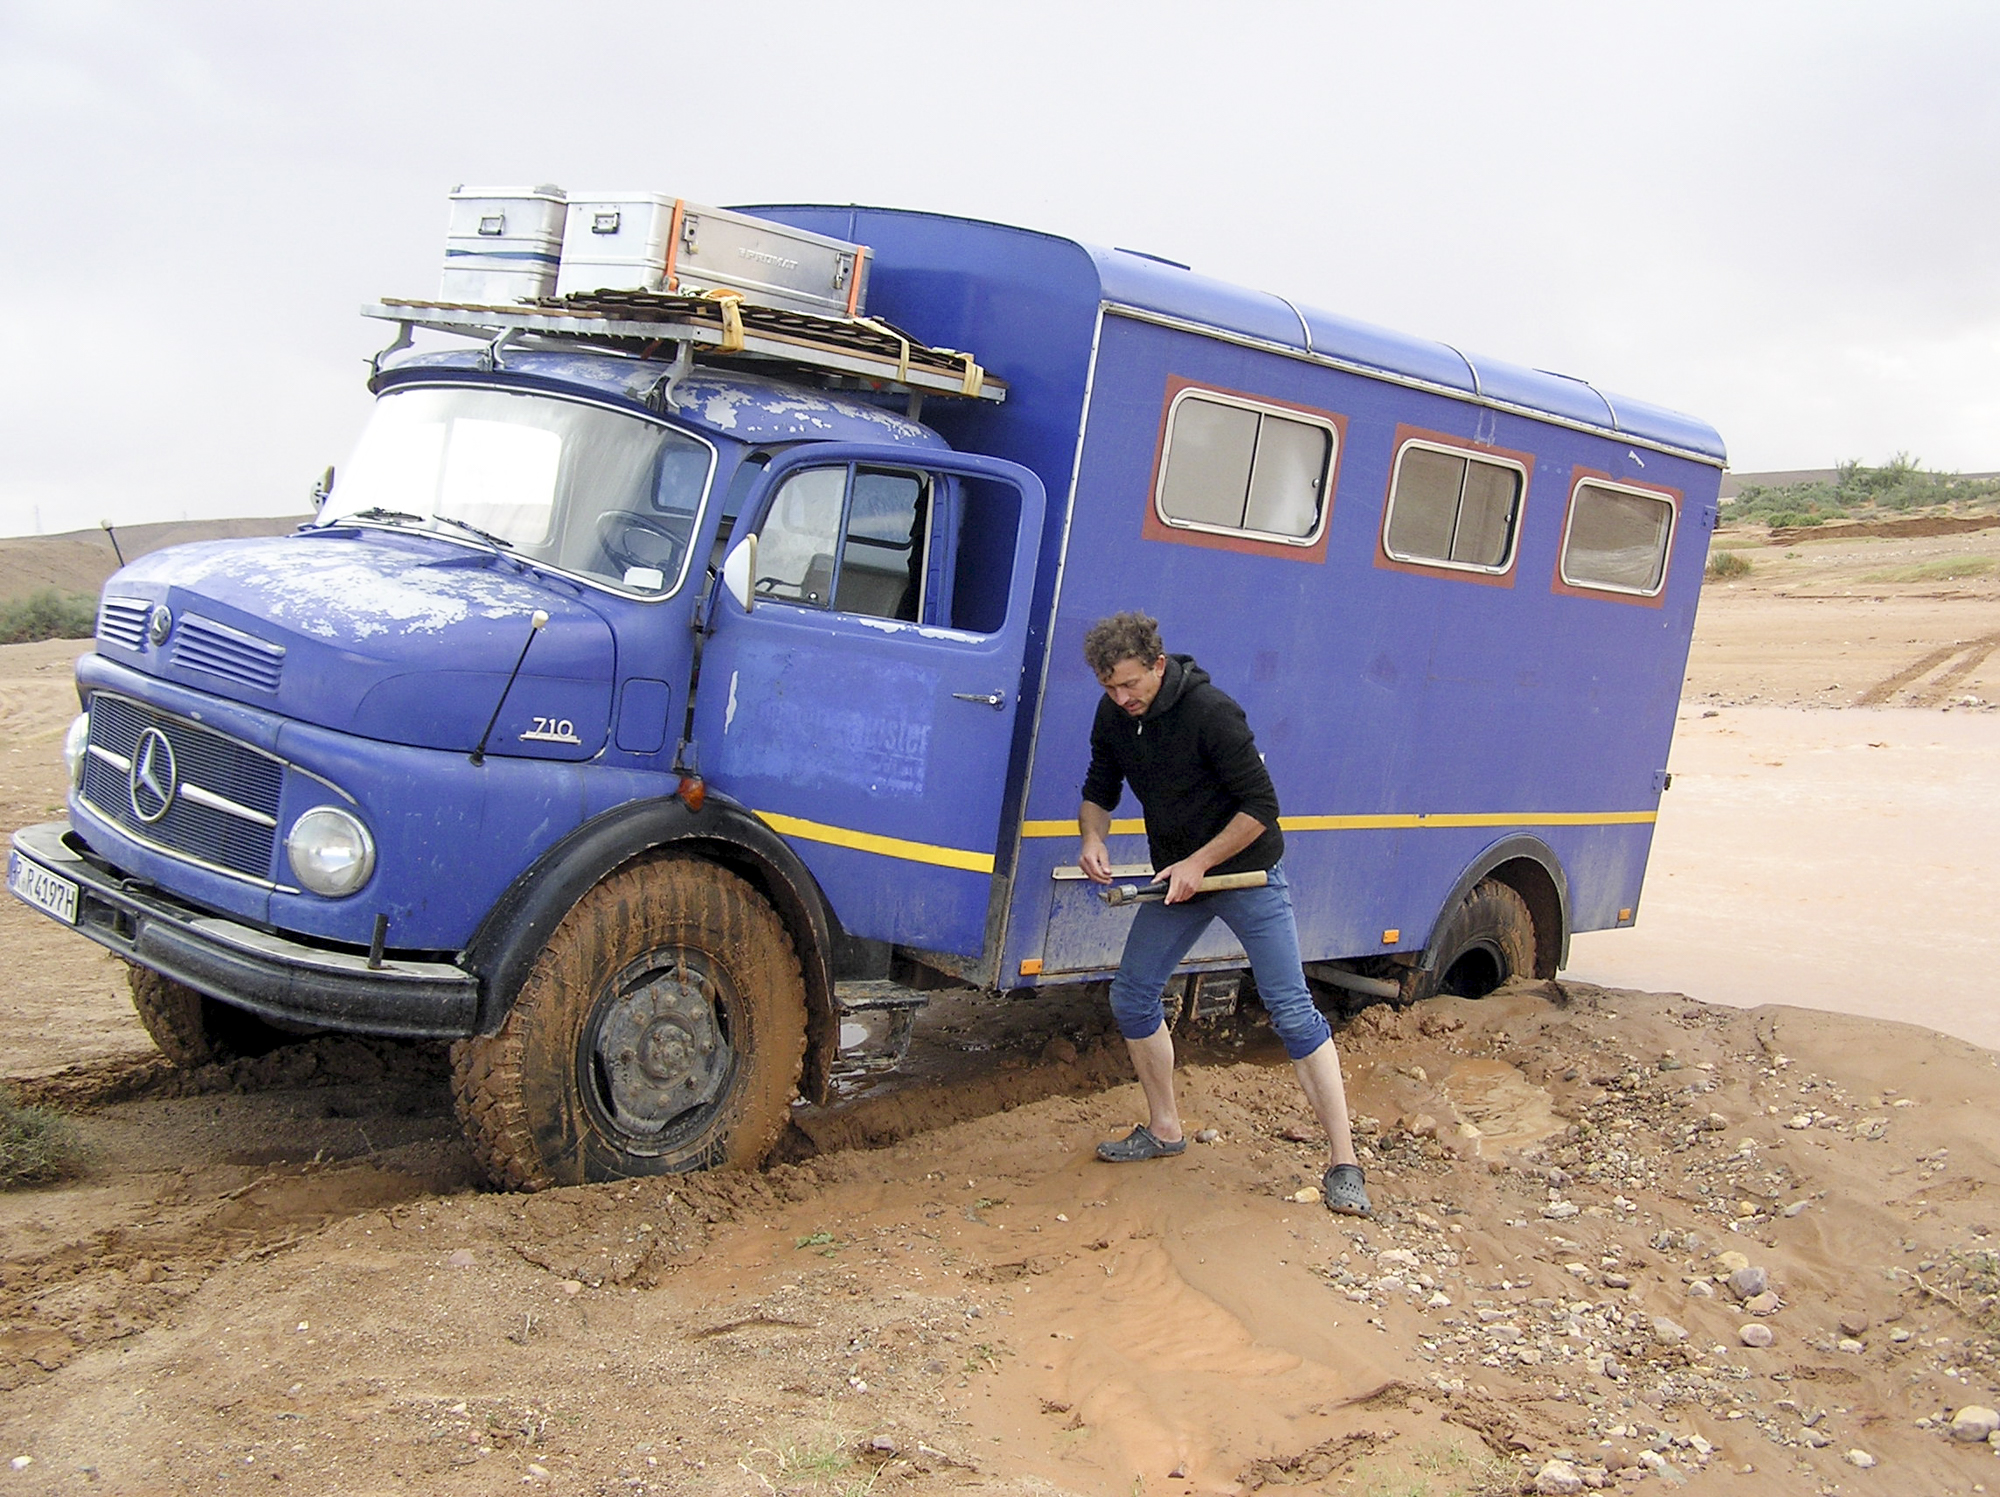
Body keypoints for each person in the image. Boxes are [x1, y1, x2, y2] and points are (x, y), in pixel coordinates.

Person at [1077, 611, 1370, 1217]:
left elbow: (1261, 808)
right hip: (1180, 882)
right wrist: (1092, 838)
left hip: (1248, 873)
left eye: (1130, 684)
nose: (1121, 697)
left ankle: (1345, 1160)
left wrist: (1200, 862)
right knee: (1131, 998)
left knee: (1291, 1011)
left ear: (1158, 665)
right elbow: (1098, 788)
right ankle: (1164, 1130)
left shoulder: (1211, 712)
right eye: (1109, 687)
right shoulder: (1114, 717)